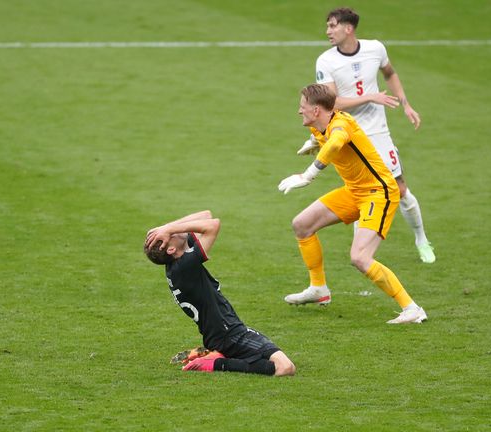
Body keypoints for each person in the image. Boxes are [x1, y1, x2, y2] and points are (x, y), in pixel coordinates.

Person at [278, 83, 427, 324]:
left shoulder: (340, 125)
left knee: (360, 257)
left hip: (378, 193)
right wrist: (315, 143)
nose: (299, 111)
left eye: (303, 107)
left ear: (317, 110)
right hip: (355, 191)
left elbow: (337, 142)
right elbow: (330, 141)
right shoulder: (320, 126)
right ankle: (319, 290)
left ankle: (412, 308)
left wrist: (307, 176)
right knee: (302, 224)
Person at [298, 7, 435, 263]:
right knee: (360, 189)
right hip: (347, 134)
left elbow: (390, 73)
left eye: (332, 26)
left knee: (401, 189)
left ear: (348, 28)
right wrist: (370, 96)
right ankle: (362, 253)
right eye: (327, 26)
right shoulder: (326, 61)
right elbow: (332, 103)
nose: (327, 31)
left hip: (378, 133)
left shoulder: (375, 48)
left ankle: (421, 238)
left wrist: (405, 104)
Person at [144, 210, 296, 376]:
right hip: (230, 335)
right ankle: (217, 363)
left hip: (221, 335)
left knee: (268, 357)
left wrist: (166, 228)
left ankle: (216, 354)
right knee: (285, 367)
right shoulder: (185, 266)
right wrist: (170, 228)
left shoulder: (178, 262)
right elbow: (213, 225)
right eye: (171, 234)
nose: (176, 231)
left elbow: (206, 216)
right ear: (171, 249)